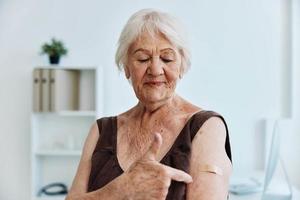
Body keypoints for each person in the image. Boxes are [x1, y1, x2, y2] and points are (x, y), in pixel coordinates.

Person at [66, 8, 232, 200]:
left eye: (167, 58)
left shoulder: (206, 128)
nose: (155, 69)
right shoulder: (101, 130)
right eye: (142, 58)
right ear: (127, 67)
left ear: (182, 66)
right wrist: (121, 190)